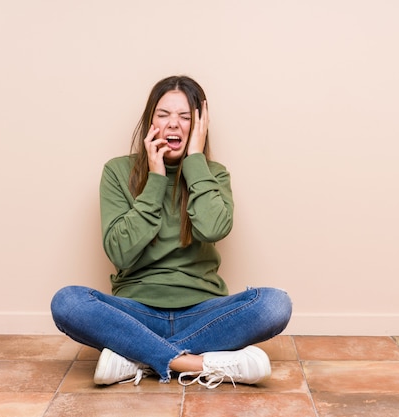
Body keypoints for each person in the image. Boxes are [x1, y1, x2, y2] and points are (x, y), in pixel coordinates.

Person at [50, 75, 292, 388]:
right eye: (163, 115)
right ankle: (196, 363)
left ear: (199, 127)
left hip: (204, 313)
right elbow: (119, 251)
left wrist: (194, 161)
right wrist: (155, 179)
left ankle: (137, 355)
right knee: (67, 302)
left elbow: (214, 227)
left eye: (185, 117)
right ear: (150, 121)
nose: (173, 124)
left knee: (275, 304)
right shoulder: (117, 171)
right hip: (136, 312)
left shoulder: (213, 174)